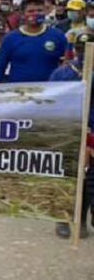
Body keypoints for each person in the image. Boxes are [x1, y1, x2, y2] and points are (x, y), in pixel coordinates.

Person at [49, 32, 94, 239]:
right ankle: (65, 218)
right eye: (82, 48)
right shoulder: (63, 73)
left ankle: (84, 217)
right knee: (69, 176)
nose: (86, 53)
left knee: (89, 180)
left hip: (92, 132)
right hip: (70, 130)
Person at [0, 0, 70, 83]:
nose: (35, 14)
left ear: (45, 12)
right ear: (23, 14)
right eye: (31, 11)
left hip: (50, 92)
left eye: (39, 11)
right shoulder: (10, 38)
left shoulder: (57, 35)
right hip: (19, 92)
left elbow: (68, 63)